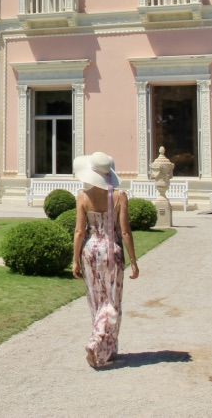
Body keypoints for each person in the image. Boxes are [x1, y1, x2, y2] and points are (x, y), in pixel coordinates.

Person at [72, 151, 139, 368]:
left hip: (90, 252)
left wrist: (74, 259)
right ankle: (98, 342)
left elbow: (80, 232)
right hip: (112, 252)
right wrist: (134, 261)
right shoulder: (120, 196)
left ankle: (106, 348)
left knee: (96, 300)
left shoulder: (83, 197)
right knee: (112, 302)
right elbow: (126, 232)